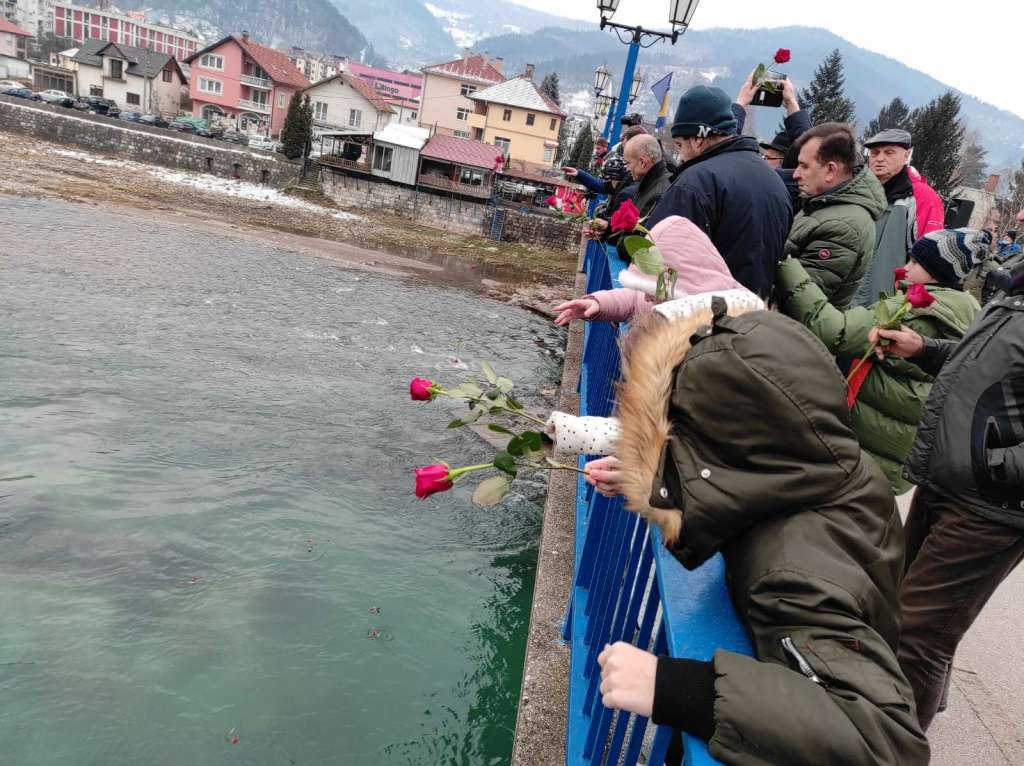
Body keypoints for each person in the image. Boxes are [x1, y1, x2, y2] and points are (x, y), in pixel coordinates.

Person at [594, 300, 929, 765]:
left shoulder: (790, 576)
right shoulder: (834, 465)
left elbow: (888, 743)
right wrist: (665, 486)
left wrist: (679, 689)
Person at [867, 206, 1024, 730]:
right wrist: (924, 349)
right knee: (902, 610)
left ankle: (888, 747)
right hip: (949, 482)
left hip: (989, 506)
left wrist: (993, 465)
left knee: (919, 635)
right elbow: (988, 366)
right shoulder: (1017, 283)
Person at [775, 228, 983, 492]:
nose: (904, 267)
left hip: (865, 446)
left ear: (938, 273)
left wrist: (789, 267)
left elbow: (836, 331)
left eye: (915, 262)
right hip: (893, 448)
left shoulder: (914, 311)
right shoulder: (964, 311)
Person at [646, 85, 793, 299]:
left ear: (697, 139)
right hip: (751, 318)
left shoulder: (695, 182)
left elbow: (654, 254)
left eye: (679, 145)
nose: (681, 156)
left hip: (699, 316)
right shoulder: (775, 181)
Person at [552, 215, 750, 327]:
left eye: (652, 287)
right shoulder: (677, 295)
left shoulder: (737, 321)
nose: (647, 297)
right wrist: (598, 303)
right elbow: (635, 300)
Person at [786, 122, 887, 309]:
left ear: (831, 170)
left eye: (804, 166)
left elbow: (798, 299)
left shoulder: (842, 226)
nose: (796, 174)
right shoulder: (823, 203)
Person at [856, 129, 943, 307]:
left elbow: (931, 260)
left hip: (885, 304)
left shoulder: (923, 197)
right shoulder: (857, 190)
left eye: (889, 153)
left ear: (906, 155)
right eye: (874, 153)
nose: (879, 158)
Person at [734, 73, 811, 210]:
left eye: (768, 157)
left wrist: (740, 103)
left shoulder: (768, 186)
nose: (763, 160)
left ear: (785, 160)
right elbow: (811, 153)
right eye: (764, 156)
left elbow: (722, 149)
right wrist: (791, 104)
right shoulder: (808, 189)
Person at [563, 155, 637, 244]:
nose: (605, 183)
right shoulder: (622, 183)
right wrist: (579, 174)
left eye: (607, 180)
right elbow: (599, 185)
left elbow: (616, 226)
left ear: (614, 179)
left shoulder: (624, 194)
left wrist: (601, 233)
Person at [622, 134, 671, 220]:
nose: (626, 168)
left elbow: (642, 232)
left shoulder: (659, 195)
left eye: (628, 163)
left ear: (643, 163)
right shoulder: (650, 183)